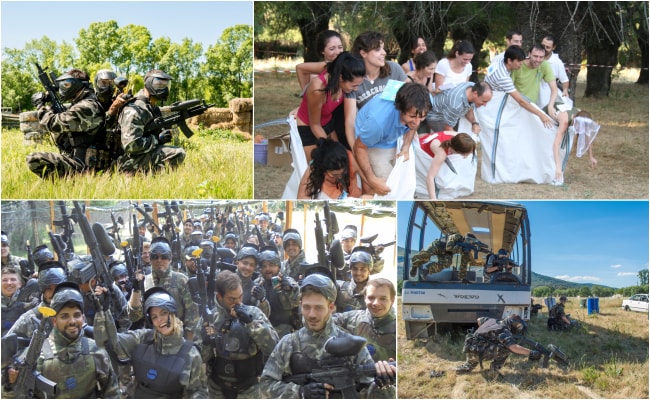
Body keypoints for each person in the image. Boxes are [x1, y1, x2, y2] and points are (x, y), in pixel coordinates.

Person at [259, 271, 395, 398]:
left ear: (331, 307)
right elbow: (265, 385)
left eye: (319, 307)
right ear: (300, 305)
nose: (312, 315)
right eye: (306, 307)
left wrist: (381, 385)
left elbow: (368, 393)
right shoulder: (289, 343)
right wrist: (300, 392)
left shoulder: (350, 344)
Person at [4, 282, 120, 398]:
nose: (72, 321)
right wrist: (10, 384)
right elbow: (15, 395)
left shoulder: (95, 350)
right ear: (54, 321)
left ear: (83, 318)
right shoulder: (36, 354)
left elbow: (112, 392)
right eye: (64, 316)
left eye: (76, 315)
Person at [93, 287, 208, 398]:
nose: (160, 319)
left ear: (173, 313)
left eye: (164, 313)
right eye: (154, 317)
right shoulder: (143, 338)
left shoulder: (191, 354)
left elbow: (198, 391)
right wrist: (103, 310)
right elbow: (110, 345)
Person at [201, 270, 279, 398]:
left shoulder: (254, 313)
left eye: (240, 297)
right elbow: (200, 359)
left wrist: (250, 323)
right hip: (216, 388)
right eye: (232, 299)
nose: (238, 302)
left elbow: (274, 348)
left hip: (249, 389)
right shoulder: (210, 318)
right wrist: (206, 342)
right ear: (220, 296)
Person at [354, 82, 432, 196]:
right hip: (372, 141)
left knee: (402, 180)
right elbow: (359, 147)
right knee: (386, 188)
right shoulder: (377, 122)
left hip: (394, 132)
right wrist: (371, 179)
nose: (417, 122)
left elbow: (414, 123)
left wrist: (406, 146)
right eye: (412, 116)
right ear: (400, 108)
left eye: (422, 117)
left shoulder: (425, 100)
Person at [27, 68, 107, 177]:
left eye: (66, 85)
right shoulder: (83, 103)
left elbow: (53, 123)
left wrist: (40, 106)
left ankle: (74, 182)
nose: (63, 88)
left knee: (35, 159)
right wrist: (51, 108)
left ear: (76, 85)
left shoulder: (87, 106)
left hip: (85, 167)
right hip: (81, 161)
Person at [511, 44, 569, 185]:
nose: (537, 60)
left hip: (533, 106)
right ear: (529, 54)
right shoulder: (519, 67)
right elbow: (512, 91)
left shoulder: (544, 66)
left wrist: (550, 106)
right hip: (516, 106)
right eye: (535, 56)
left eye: (541, 57)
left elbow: (554, 89)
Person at [344, 31, 408, 152]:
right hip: (372, 141)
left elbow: (410, 102)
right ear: (363, 53)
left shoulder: (393, 69)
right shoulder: (354, 79)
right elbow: (350, 120)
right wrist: (356, 150)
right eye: (378, 49)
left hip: (398, 137)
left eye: (383, 48)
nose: (384, 53)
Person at [296, 52, 366, 162]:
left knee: (341, 160)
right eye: (354, 85)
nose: (356, 89)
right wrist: (329, 147)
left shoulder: (339, 68)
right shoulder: (318, 89)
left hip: (327, 122)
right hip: (309, 126)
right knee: (317, 166)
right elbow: (315, 125)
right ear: (341, 78)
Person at [116, 69, 186, 174]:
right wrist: (157, 139)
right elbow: (131, 144)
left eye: (166, 85)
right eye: (159, 85)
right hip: (126, 161)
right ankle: (137, 178)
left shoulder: (151, 107)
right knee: (177, 153)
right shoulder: (135, 109)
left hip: (138, 156)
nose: (165, 89)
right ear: (149, 84)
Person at [134, 238, 199, 340]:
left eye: (164, 257)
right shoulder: (144, 281)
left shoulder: (181, 280)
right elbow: (134, 316)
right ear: (150, 259)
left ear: (170, 258)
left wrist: (188, 342)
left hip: (178, 337)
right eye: (155, 257)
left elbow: (192, 315)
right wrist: (136, 289)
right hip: (153, 338)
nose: (159, 260)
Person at [484, 45, 554, 129]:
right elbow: (521, 101)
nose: (521, 64)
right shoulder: (503, 78)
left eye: (522, 61)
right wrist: (541, 115)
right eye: (519, 61)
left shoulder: (501, 59)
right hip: (490, 104)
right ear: (509, 60)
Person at [455, 315, 541, 379]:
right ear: (512, 324)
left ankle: (465, 367)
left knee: (472, 361)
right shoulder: (503, 330)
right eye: (517, 326)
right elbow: (513, 347)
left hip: (470, 350)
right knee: (506, 349)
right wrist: (531, 353)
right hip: (479, 352)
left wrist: (485, 334)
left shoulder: (492, 320)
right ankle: (494, 371)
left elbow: (479, 320)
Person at [332, 278, 397, 362]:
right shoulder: (351, 318)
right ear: (364, 298)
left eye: (383, 299)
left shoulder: (396, 329)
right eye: (371, 298)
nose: (376, 303)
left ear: (392, 300)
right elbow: (324, 323)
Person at [254, 246, 301, 338]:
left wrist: (288, 289)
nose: (267, 269)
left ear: (278, 267)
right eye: (264, 266)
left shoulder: (287, 281)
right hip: (263, 330)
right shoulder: (258, 284)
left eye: (271, 265)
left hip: (286, 331)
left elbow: (296, 301)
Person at [298, 138, 363, 199]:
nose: (340, 177)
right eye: (335, 175)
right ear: (323, 170)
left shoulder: (350, 159)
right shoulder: (313, 171)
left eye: (342, 173)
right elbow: (301, 201)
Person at [419, 131, 476, 199]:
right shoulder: (441, 153)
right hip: (420, 153)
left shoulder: (457, 136)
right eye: (467, 153)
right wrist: (433, 199)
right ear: (459, 151)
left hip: (426, 139)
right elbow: (430, 178)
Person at [425, 81, 492, 134]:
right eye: (484, 101)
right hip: (436, 117)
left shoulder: (471, 86)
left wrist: (474, 123)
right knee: (452, 142)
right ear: (475, 93)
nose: (485, 105)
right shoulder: (455, 105)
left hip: (449, 114)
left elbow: (468, 109)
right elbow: (447, 127)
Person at [1, 266, 39, 336]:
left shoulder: (30, 302)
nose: (9, 283)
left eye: (13, 279)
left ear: (20, 284)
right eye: (5, 280)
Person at [336, 247, 373, 312]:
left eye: (363, 269)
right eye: (355, 269)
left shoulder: (375, 293)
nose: (358, 273)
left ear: (369, 271)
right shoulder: (339, 288)